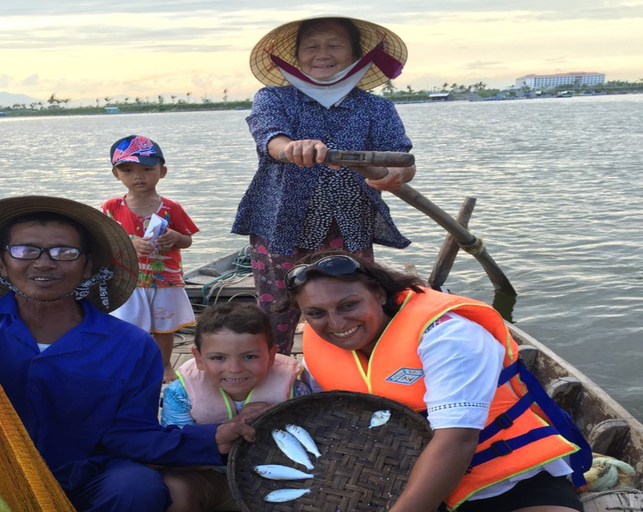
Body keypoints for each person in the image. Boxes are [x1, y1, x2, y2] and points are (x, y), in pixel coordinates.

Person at [0, 196, 256, 512]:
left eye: (64, 251)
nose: (44, 263)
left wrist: (213, 437)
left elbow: (129, 435)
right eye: (26, 249)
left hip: (85, 474)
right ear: (2, 263)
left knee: (137, 487)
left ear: (88, 265)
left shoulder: (130, 345)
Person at [280, 251, 592, 512]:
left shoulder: (448, 336)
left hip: (508, 484)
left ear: (378, 293)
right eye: (317, 312)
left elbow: (457, 440)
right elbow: (321, 413)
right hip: (391, 482)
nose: (336, 323)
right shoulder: (319, 341)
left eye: (349, 305)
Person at [232, 16, 417, 354]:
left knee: (350, 305)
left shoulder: (376, 107)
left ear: (356, 54)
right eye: (312, 46)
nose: (322, 53)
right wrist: (292, 148)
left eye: (334, 44)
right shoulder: (274, 98)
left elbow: (401, 158)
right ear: (297, 55)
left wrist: (395, 175)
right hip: (280, 226)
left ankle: (357, 374)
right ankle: (275, 377)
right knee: (277, 309)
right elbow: (270, 138)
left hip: (348, 227)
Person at [159, 301, 310, 512]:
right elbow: (175, 458)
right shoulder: (179, 394)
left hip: (282, 481)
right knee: (175, 485)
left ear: (271, 355)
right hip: (213, 481)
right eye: (218, 358)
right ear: (199, 359)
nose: (235, 369)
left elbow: (310, 449)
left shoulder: (296, 390)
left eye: (250, 357)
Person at [101, 135, 199, 383]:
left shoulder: (170, 207)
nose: (138, 176)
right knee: (130, 327)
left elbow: (187, 241)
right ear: (116, 174)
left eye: (147, 169)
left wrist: (176, 237)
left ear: (162, 172)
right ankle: (132, 366)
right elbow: (102, 244)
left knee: (163, 327)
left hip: (165, 279)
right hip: (129, 282)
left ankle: (165, 366)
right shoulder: (111, 208)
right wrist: (129, 244)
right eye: (128, 170)